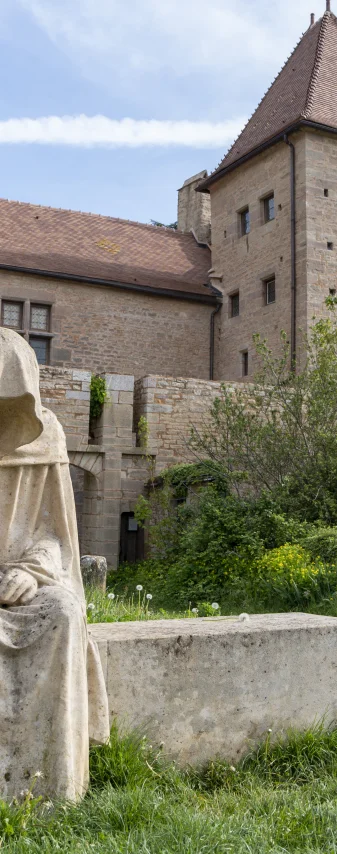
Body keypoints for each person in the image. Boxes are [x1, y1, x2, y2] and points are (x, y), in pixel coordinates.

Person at [0, 328, 109, 801]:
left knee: (62, 612)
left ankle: (50, 787)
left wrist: (32, 570)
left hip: (20, 578)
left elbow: (56, 533)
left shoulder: (48, 436)